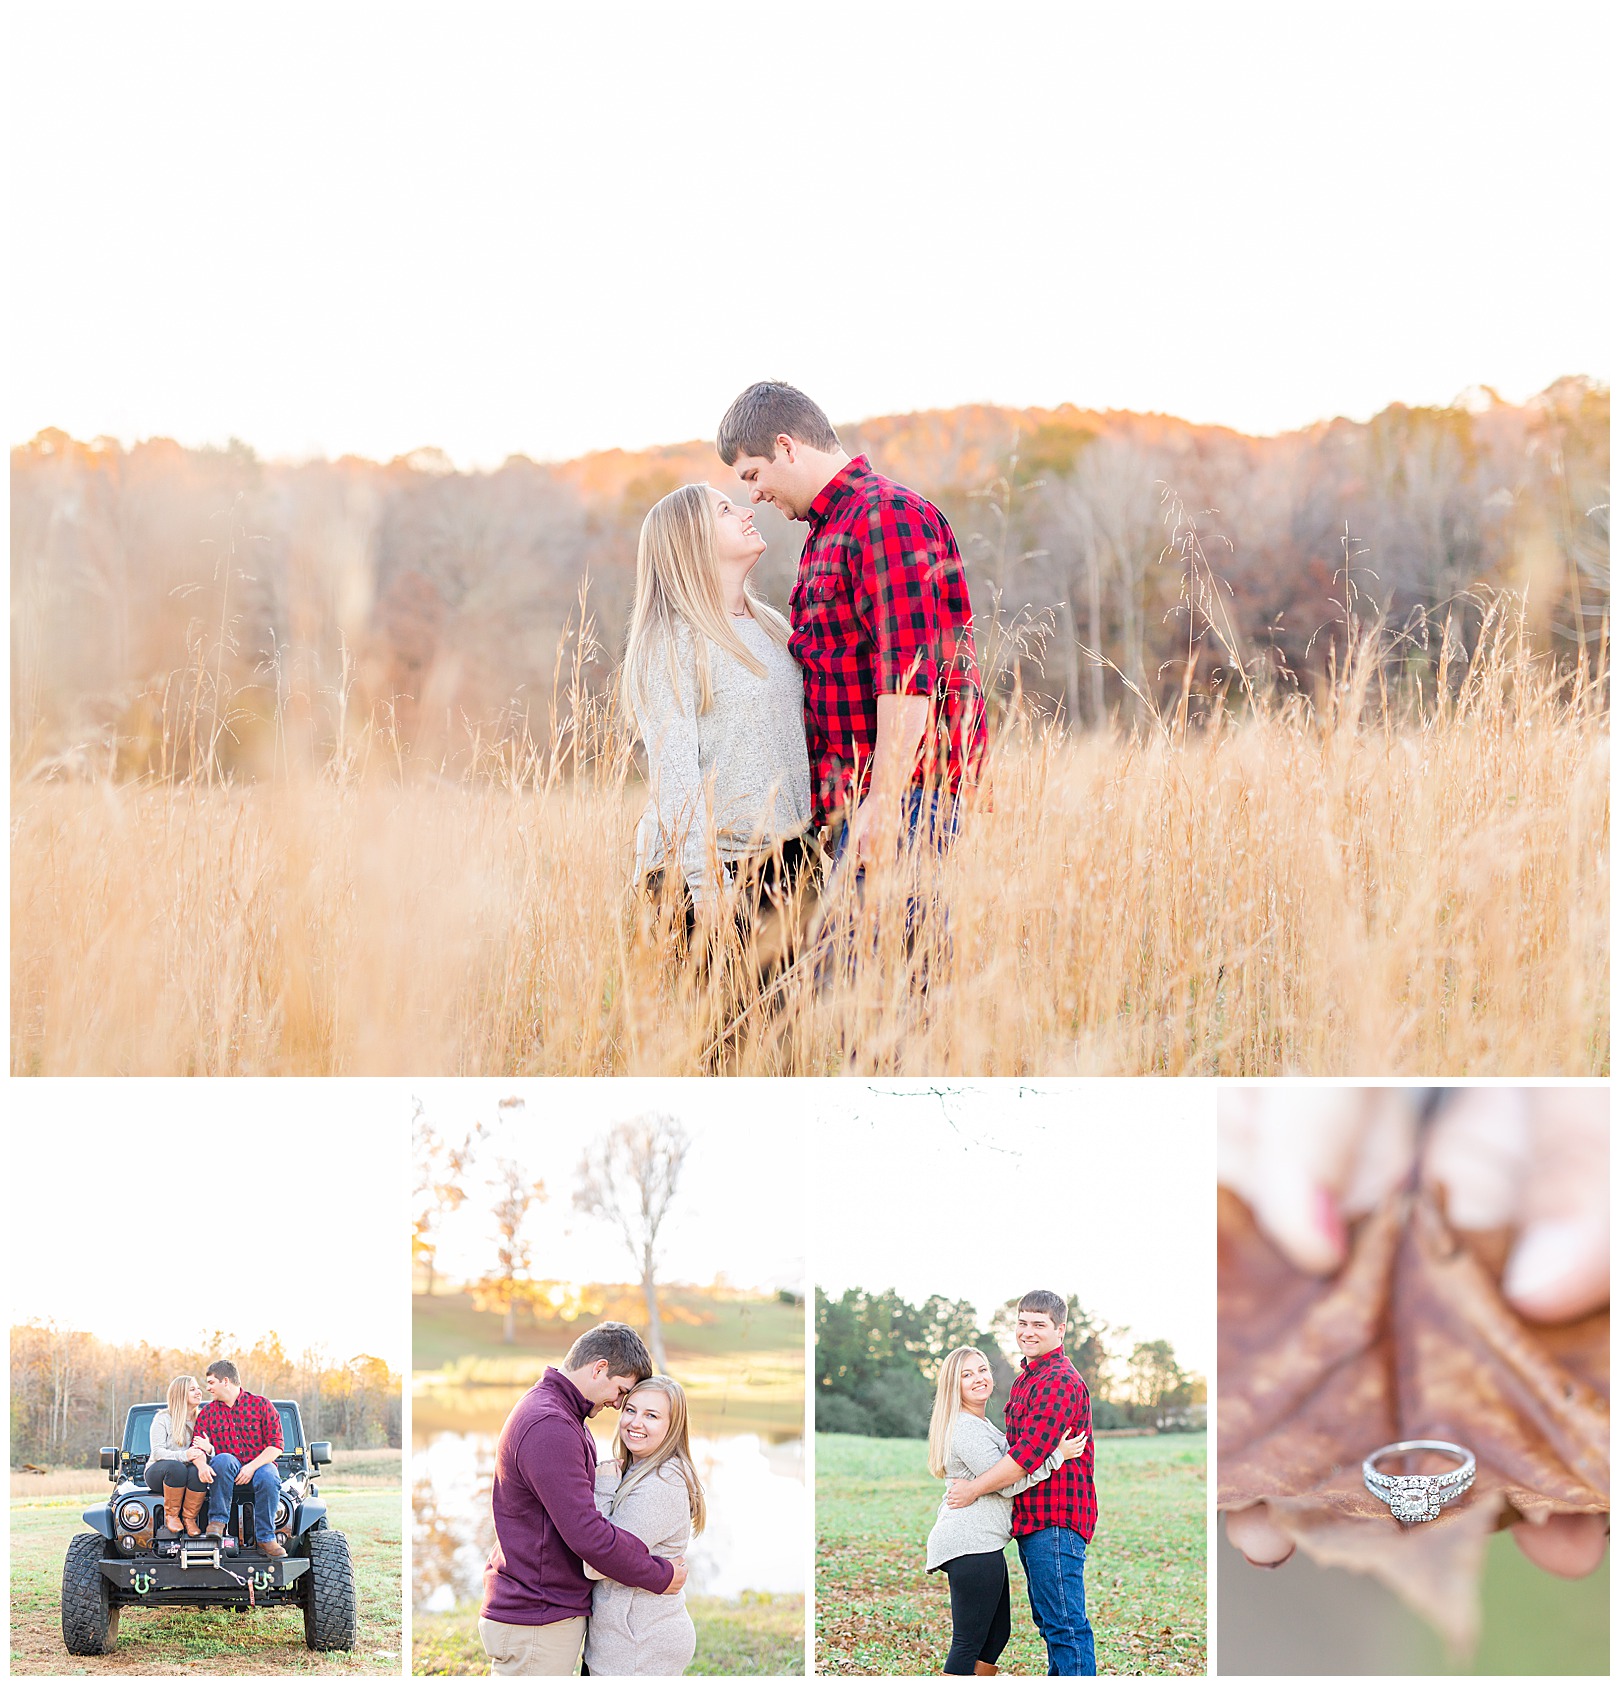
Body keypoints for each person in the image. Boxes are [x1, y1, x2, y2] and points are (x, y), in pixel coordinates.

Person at [716, 380, 987, 870]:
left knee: (885, 949)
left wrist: (884, 800)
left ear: (786, 447)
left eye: (753, 474)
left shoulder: (883, 515)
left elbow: (907, 677)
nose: (753, 494)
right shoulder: (829, 529)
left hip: (901, 801)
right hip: (854, 805)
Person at [622, 481, 816, 956]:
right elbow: (676, 776)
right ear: (692, 542)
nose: (747, 511)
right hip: (714, 870)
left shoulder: (774, 627)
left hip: (790, 859)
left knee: (803, 1026)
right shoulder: (672, 641)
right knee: (732, 1030)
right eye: (726, 510)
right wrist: (707, 885)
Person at [479, 1323, 690, 1677]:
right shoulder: (550, 1424)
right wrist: (661, 1574)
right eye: (622, 1393)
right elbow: (588, 1536)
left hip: (543, 1613)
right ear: (599, 1368)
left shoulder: (558, 1413)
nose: (617, 1404)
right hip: (537, 1616)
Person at [945, 1292, 1098, 1675]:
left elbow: (1021, 1459)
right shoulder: (1028, 1379)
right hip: (1033, 1522)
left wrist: (974, 1488)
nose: (1028, 1332)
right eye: (1023, 1323)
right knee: (1053, 1625)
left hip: (1056, 1520)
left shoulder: (1057, 1381)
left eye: (1039, 1325)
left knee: (1064, 1626)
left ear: (1060, 1330)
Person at [582, 1374, 705, 1676]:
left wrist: (603, 1488)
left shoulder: (662, 1483)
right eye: (630, 1410)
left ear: (672, 1426)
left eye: (651, 1415)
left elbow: (597, 1563)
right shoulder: (638, 1469)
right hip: (624, 1640)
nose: (635, 1422)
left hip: (638, 1646)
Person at [191, 1359, 286, 1557]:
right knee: (223, 1459)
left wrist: (251, 1467)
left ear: (225, 1381)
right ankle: (217, 1522)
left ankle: (266, 1538)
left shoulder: (261, 1405)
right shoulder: (207, 1413)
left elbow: (275, 1446)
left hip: (260, 1465)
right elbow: (197, 1447)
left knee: (269, 1476)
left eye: (211, 1382)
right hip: (228, 1468)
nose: (207, 1388)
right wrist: (201, 1466)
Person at [145, 1374, 215, 1537]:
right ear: (180, 1394)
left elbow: (213, 1451)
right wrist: (185, 1455)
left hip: (188, 1474)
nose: (199, 1392)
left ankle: (189, 1519)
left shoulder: (203, 1418)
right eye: (192, 1389)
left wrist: (209, 1449)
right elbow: (157, 1452)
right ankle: (172, 1516)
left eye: (198, 1388)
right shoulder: (163, 1418)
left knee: (196, 1472)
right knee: (177, 1468)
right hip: (160, 1472)